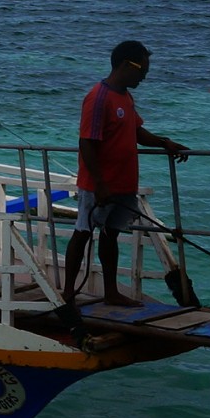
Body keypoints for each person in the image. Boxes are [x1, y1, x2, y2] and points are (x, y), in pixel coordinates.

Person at [63, 40, 188, 308]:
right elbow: (87, 141)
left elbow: (136, 131)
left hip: (123, 184)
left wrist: (165, 142)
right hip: (99, 186)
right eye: (142, 69)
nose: (145, 75)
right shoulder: (98, 98)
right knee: (83, 233)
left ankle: (111, 292)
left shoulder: (125, 98)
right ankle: (67, 293)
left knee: (111, 235)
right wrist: (99, 183)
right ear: (124, 65)